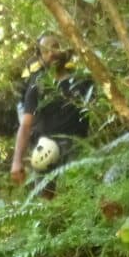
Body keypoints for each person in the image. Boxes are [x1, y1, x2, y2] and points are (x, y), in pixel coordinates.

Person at [10, 33, 94, 190]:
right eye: (45, 51)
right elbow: (26, 125)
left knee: (79, 191)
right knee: (47, 198)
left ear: (63, 49)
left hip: (77, 147)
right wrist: (17, 161)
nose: (51, 53)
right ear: (40, 57)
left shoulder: (82, 80)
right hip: (45, 151)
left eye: (55, 47)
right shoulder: (37, 85)